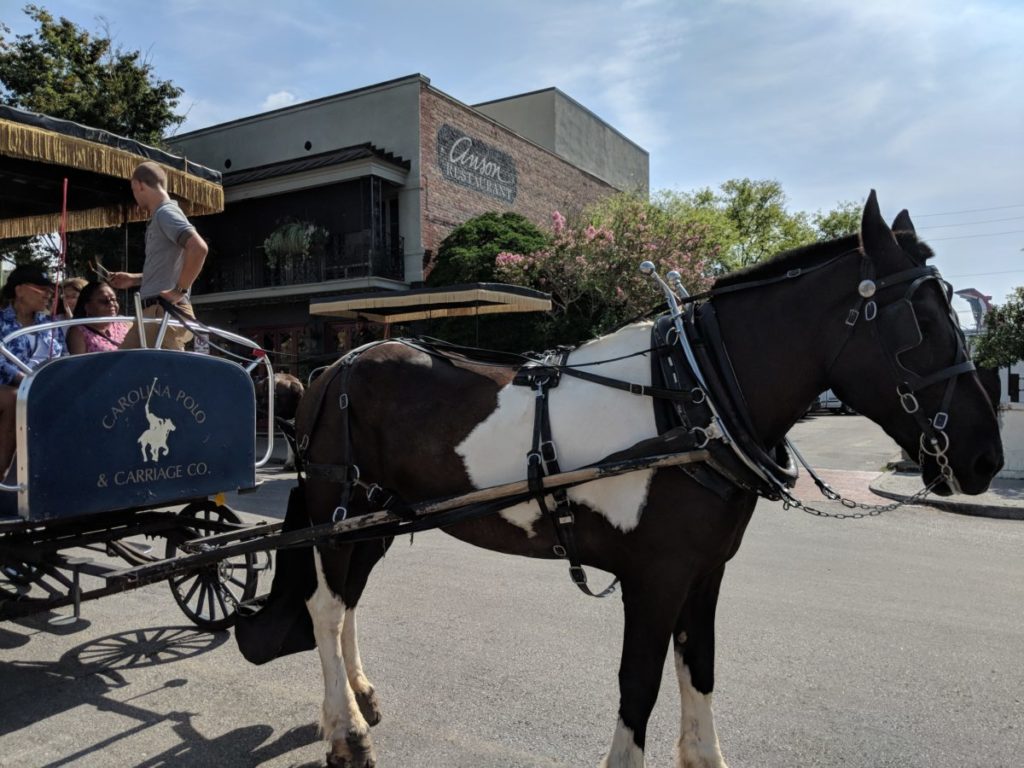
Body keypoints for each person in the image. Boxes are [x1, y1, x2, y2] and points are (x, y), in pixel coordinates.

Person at [108, 161, 209, 351]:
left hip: (162, 312)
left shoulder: (165, 213)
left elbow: (198, 248)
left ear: (139, 185)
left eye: (133, 189)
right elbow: (172, 266)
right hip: (155, 312)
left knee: (149, 374)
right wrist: (135, 279)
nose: (134, 195)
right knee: (126, 372)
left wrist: (180, 290)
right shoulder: (162, 215)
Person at [0, 264, 67, 475]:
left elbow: (63, 357)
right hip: (10, 386)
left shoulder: (50, 325)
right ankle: (2, 474)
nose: (49, 294)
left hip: (43, 384)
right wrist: (29, 382)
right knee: (15, 399)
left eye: (50, 290)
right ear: (19, 290)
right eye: (41, 288)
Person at [65, 281, 131, 354]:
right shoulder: (78, 332)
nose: (111, 304)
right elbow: (78, 364)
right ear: (87, 307)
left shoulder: (125, 323)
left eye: (114, 300)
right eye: (104, 301)